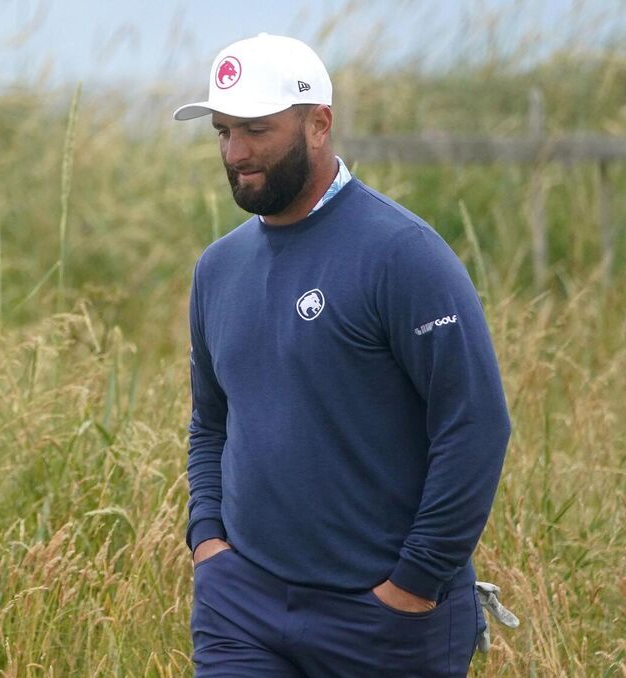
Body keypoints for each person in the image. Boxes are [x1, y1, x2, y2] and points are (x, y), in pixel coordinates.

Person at [174, 34, 511, 676]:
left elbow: (475, 425)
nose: (235, 153)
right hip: (242, 609)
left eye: (256, 129)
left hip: (384, 620)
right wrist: (208, 540)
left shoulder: (402, 253)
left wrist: (415, 582)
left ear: (319, 124)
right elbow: (211, 423)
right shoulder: (217, 268)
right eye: (223, 131)